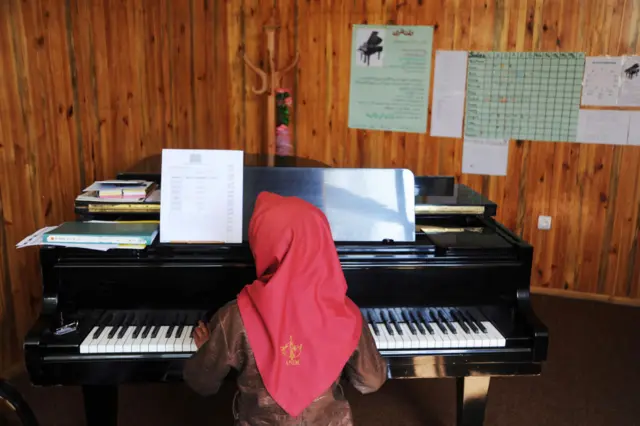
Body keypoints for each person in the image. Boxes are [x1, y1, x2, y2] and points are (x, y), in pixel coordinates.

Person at [183, 191, 387, 425]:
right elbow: (372, 381)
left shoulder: (236, 316)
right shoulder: (345, 312)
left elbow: (202, 383)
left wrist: (207, 349)